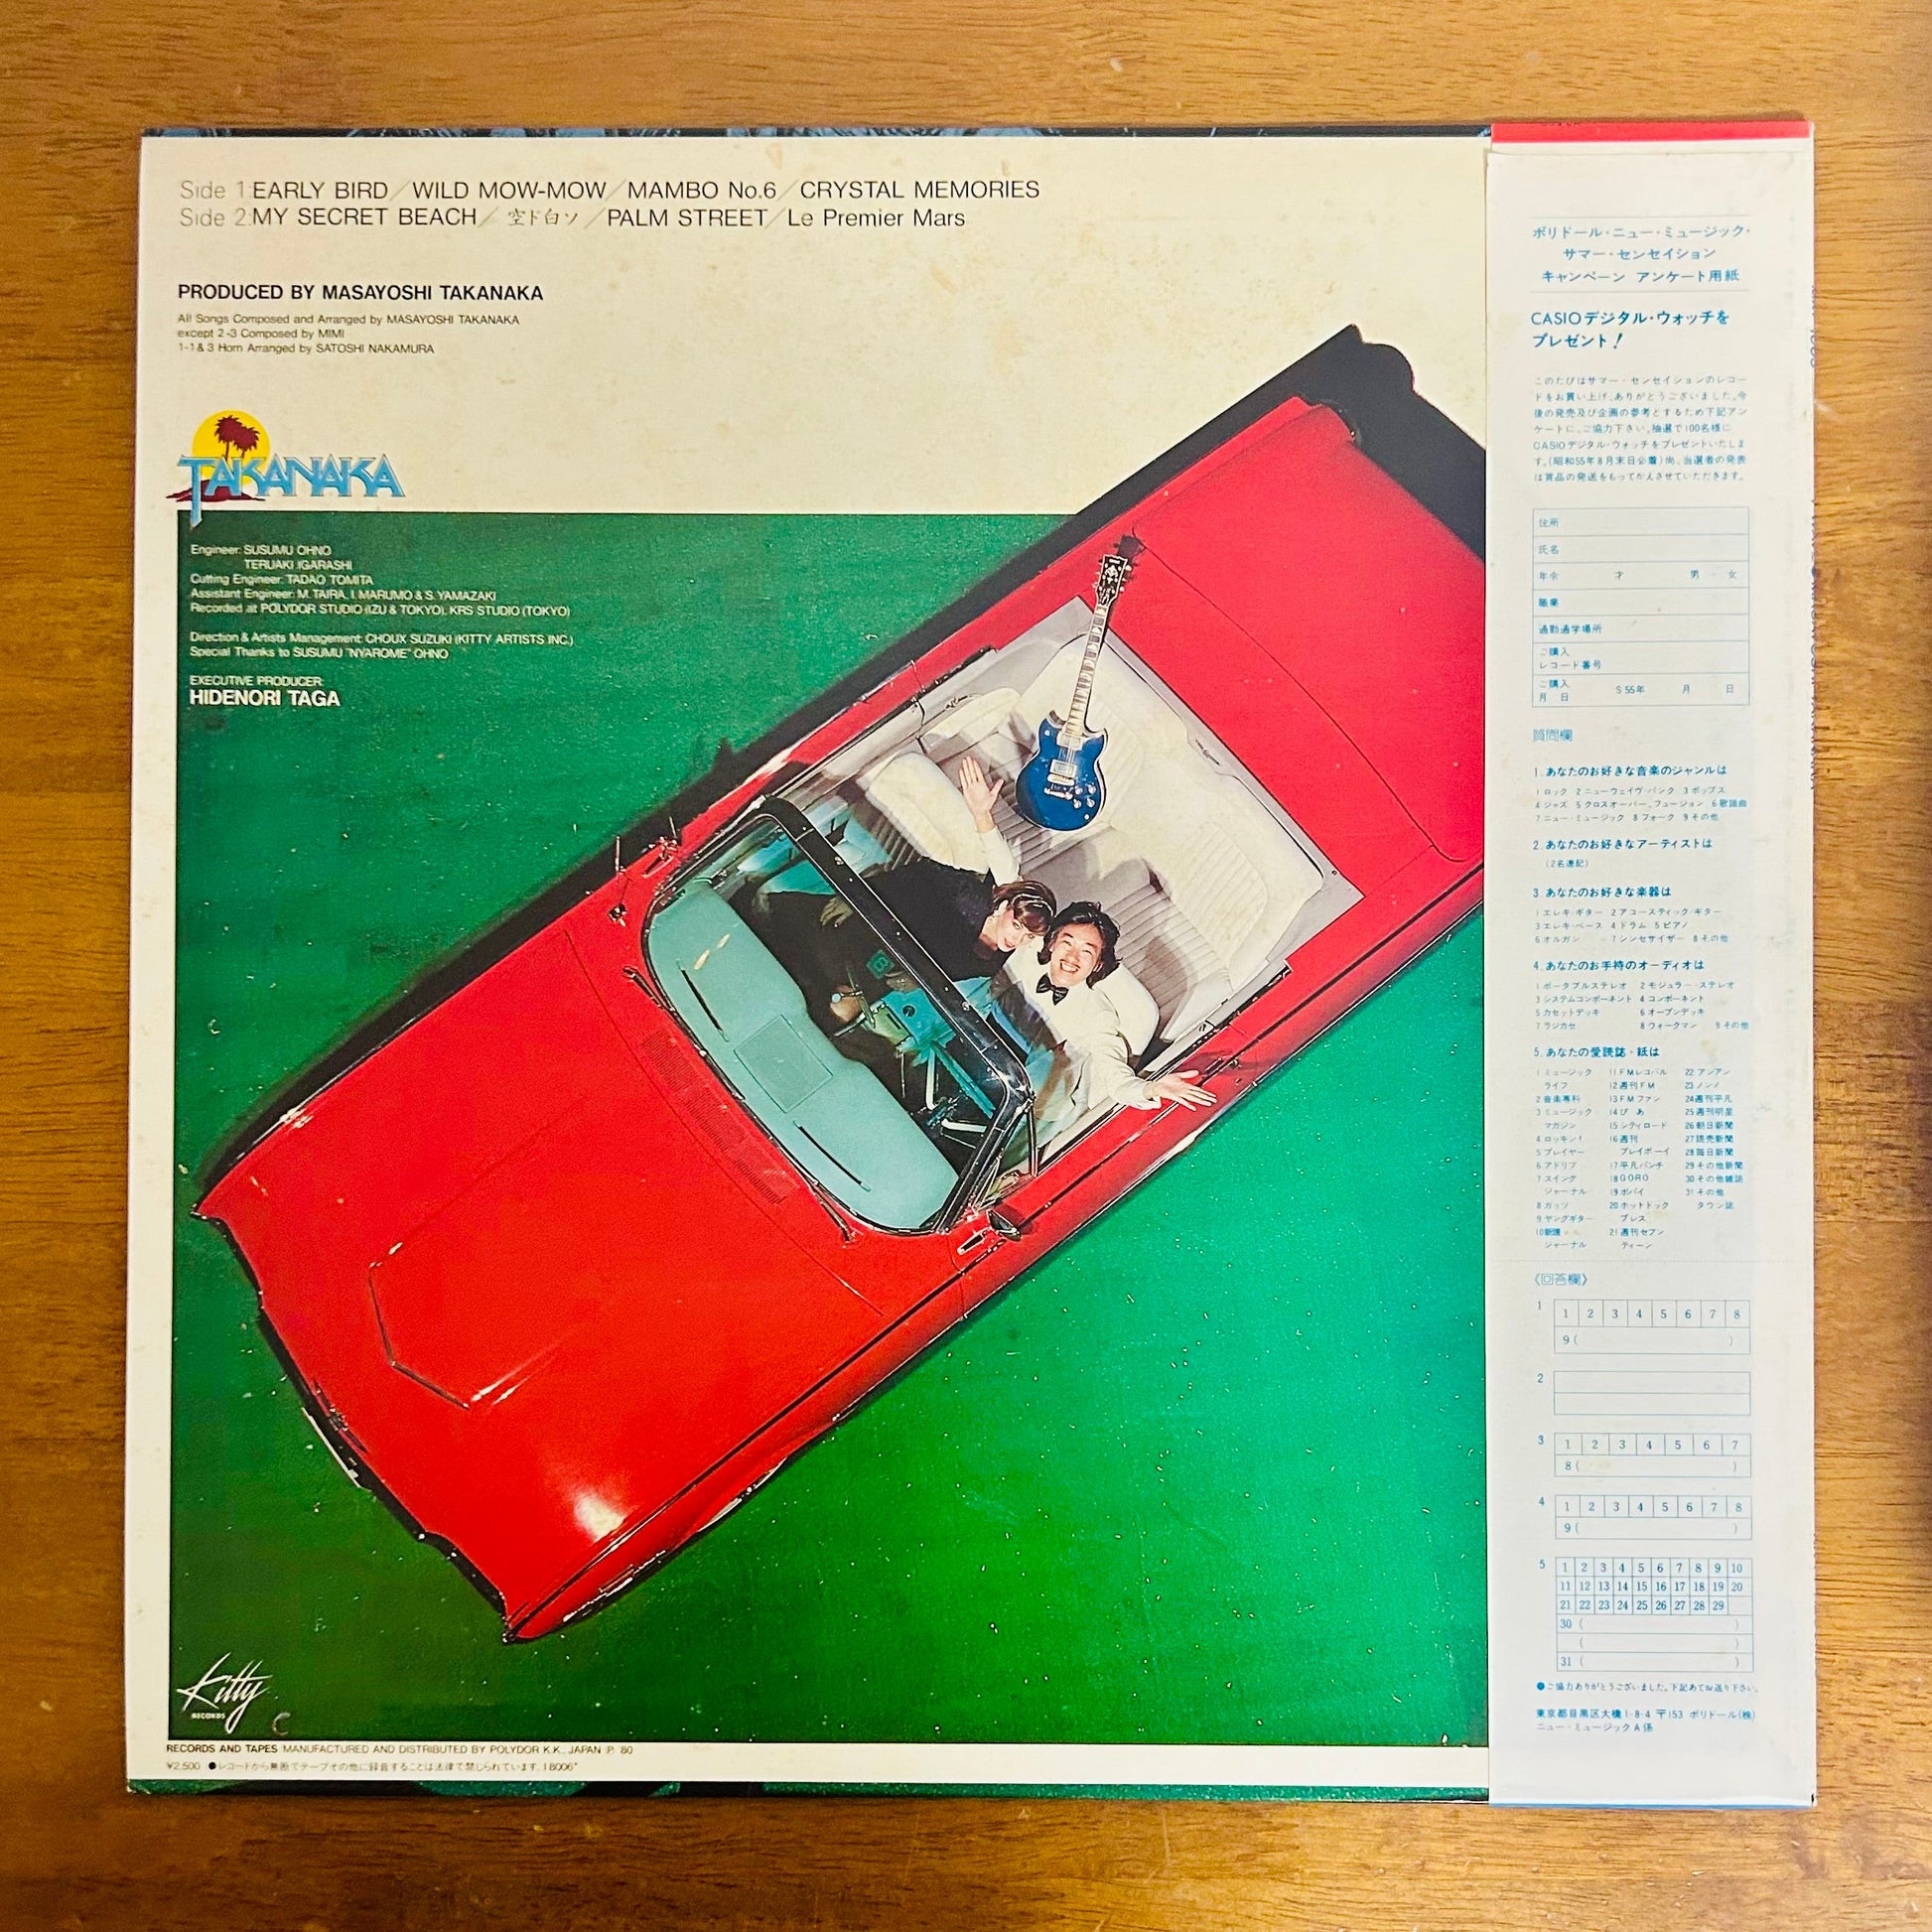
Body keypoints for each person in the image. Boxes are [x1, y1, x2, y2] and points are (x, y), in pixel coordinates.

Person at [828, 756, 1056, 985]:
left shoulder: (990, 962)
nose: (1018, 939)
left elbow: (948, 973)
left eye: (1028, 936)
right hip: (903, 881)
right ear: (1005, 908)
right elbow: (915, 881)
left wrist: (918, 979)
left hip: (891, 928)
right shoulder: (981, 897)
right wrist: (981, 813)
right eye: (1017, 926)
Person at [1004, 900, 1216, 1137]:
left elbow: (1114, 1074)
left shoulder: (1098, 1014)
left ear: (1098, 964)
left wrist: (1150, 1089)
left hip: (1032, 1108)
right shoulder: (1025, 957)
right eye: (1067, 943)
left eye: (1086, 952)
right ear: (1052, 943)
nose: (1072, 957)